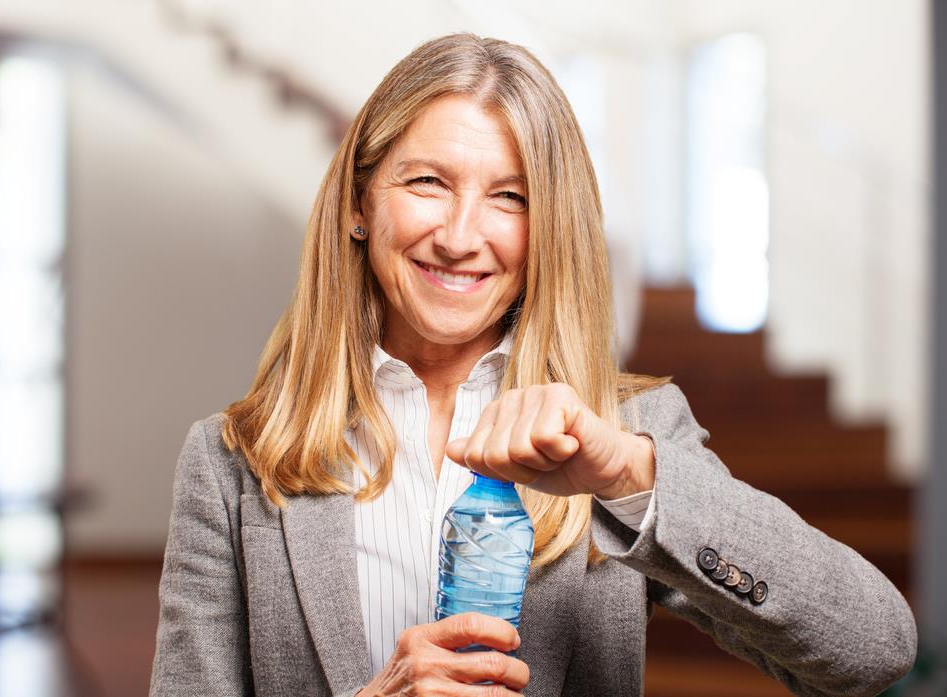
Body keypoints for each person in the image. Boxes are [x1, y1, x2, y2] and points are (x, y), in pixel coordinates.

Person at [149, 33, 917, 697]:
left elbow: (872, 650)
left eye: (509, 197)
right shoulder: (230, 463)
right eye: (428, 181)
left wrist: (629, 473)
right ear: (360, 202)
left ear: (549, 228)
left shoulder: (630, 435)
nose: (459, 234)